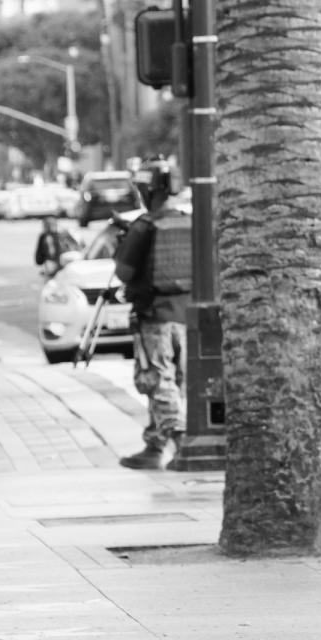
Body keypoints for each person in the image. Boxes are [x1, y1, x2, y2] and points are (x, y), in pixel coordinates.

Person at [111, 158, 190, 470]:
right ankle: (154, 445)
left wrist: (124, 243)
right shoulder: (189, 222)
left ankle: (180, 443)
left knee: (158, 381)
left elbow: (124, 272)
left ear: (150, 189)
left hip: (155, 316)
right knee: (177, 382)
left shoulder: (144, 226)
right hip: (187, 317)